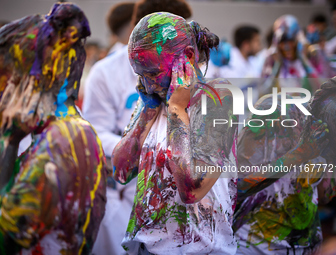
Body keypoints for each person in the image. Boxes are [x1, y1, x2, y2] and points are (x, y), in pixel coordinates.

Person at [112, 12, 238, 255]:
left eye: (152, 73)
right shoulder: (151, 99)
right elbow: (121, 171)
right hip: (144, 248)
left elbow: (191, 188)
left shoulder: (217, 98)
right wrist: (148, 110)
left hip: (199, 250)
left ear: (188, 58)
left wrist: (177, 108)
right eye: (140, 75)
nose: (147, 85)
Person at [85, 1, 193, 255]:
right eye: (173, 33)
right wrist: (142, 142)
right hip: (127, 194)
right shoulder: (106, 72)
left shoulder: (196, 75)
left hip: (187, 212)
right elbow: (96, 132)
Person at [0, 3, 107, 254]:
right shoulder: (48, 132)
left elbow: (7, 237)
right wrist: (13, 141)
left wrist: (9, 141)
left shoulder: (65, 138)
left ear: (35, 77)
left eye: (6, 80)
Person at [234, 94, 328, 254]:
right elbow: (240, 187)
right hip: (255, 246)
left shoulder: (315, 143)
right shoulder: (262, 141)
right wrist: (298, 154)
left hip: (305, 246)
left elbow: (323, 196)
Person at [261, 15, 329, 94]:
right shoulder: (272, 58)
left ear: (298, 39)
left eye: (290, 41)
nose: (286, 47)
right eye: (282, 42)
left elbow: (326, 90)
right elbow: (263, 93)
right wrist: (277, 66)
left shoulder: (313, 54)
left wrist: (304, 61)